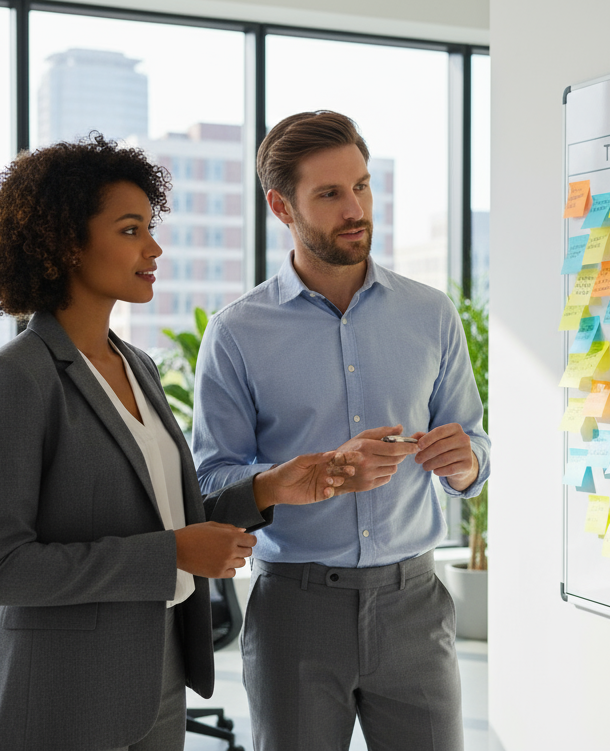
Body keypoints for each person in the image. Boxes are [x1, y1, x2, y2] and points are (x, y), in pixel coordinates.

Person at [0, 135, 358, 751]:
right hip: (58, 705)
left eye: (150, 226)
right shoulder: (16, 377)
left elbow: (168, 514)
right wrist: (168, 554)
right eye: (129, 230)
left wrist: (269, 488)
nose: (154, 247)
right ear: (65, 243)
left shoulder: (135, 365)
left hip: (153, 689)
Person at [193, 110, 491, 751]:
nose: (354, 208)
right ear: (282, 206)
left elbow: (474, 443)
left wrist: (465, 462)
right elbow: (211, 483)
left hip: (414, 602)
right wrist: (309, 476)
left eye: (360, 186)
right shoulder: (237, 333)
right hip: (296, 610)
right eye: (329, 194)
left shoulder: (430, 314)